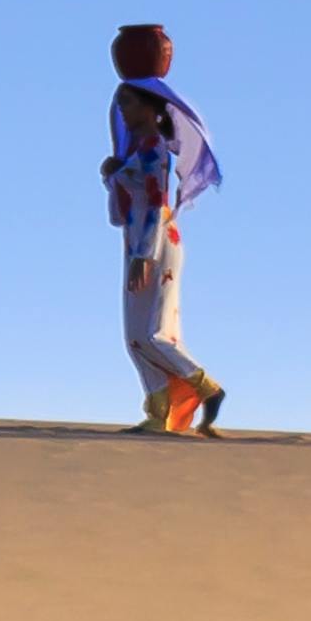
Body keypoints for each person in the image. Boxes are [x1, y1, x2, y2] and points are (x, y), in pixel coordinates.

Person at [103, 22, 222, 435]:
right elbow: (123, 211)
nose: (124, 112)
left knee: (152, 334)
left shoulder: (154, 149)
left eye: (129, 104)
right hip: (136, 242)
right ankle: (158, 412)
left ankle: (205, 387)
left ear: (151, 108)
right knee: (135, 336)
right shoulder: (139, 152)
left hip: (153, 245)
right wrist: (113, 174)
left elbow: (154, 203)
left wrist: (142, 256)